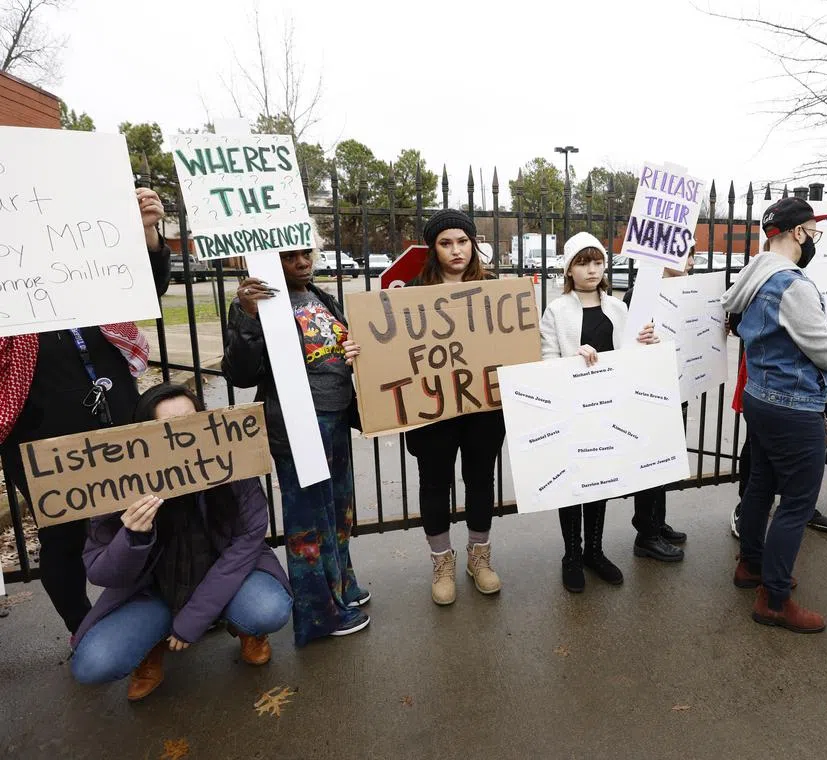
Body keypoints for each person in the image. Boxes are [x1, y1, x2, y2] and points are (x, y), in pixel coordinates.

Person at [0, 188, 170, 637]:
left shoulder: (87, 268)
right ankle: (83, 627)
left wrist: (147, 233)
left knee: (147, 512)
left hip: (118, 419)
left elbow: (146, 288)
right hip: (41, 436)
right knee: (64, 538)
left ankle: (167, 605)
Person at [721, 197, 827, 633]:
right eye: (813, 232)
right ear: (796, 233)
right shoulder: (792, 284)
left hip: (760, 395)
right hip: (793, 406)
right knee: (797, 503)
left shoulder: (754, 275)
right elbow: (824, 351)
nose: (814, 239)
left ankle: (750, 567)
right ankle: (775, 599)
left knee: (759, 485)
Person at [69, 383, 292, 702]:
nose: (180, 436)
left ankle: (248, 629)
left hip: (226, 577)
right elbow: (102, 574)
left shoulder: (231, 462)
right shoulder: (119, 482)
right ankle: (151, 648)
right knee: (93, 664)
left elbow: (248, 539)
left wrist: (194, 618)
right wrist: (132, 537)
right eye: (167, 428)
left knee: (267, 610)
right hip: (153, 593)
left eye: (190, 422)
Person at [223, 236, 370, 644]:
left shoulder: (317, 294)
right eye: (290, 256)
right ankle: (318, 614)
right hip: (297, 425)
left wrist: (350, 349)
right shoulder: (260, 302)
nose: (303, 262)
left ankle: (341, 588)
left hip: (335, 417)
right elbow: (239, 372)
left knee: (338, 510)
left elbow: (333, 348)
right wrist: (248, 316)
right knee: (310, 521)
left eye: (306, 253)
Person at [541, 231, 659, 591]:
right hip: (572, 409)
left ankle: (594, 550)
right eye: (582, 262)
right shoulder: (557, 310)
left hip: (608, 407)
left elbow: (629, 356)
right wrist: (572, 358)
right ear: (569, 270)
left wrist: (646, 343)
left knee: (599, 480)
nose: (591, 269)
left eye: (596, 261)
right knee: (572, 482)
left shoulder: (619, 308)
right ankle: (571, 555)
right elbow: (546, 360)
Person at [403, 209, 505, 605]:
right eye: (446, 243)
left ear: (472, 244)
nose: (456, 250)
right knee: (434, 483)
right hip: (433, 410)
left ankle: (479, 556)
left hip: (483, 407)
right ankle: (441, 561)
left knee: (480, 480)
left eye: (462, 241)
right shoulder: (411, 293)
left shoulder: (494, 290)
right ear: (434, 249)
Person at [619, 245, 695, 563]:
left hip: (677, 386)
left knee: (665, 460)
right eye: (689, 256)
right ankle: (646, 534)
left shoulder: (686, 291)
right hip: (650, 393)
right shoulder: (640, 294)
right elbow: (626, 343)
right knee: (651, 463)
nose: (692, 262)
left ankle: (657, 522)